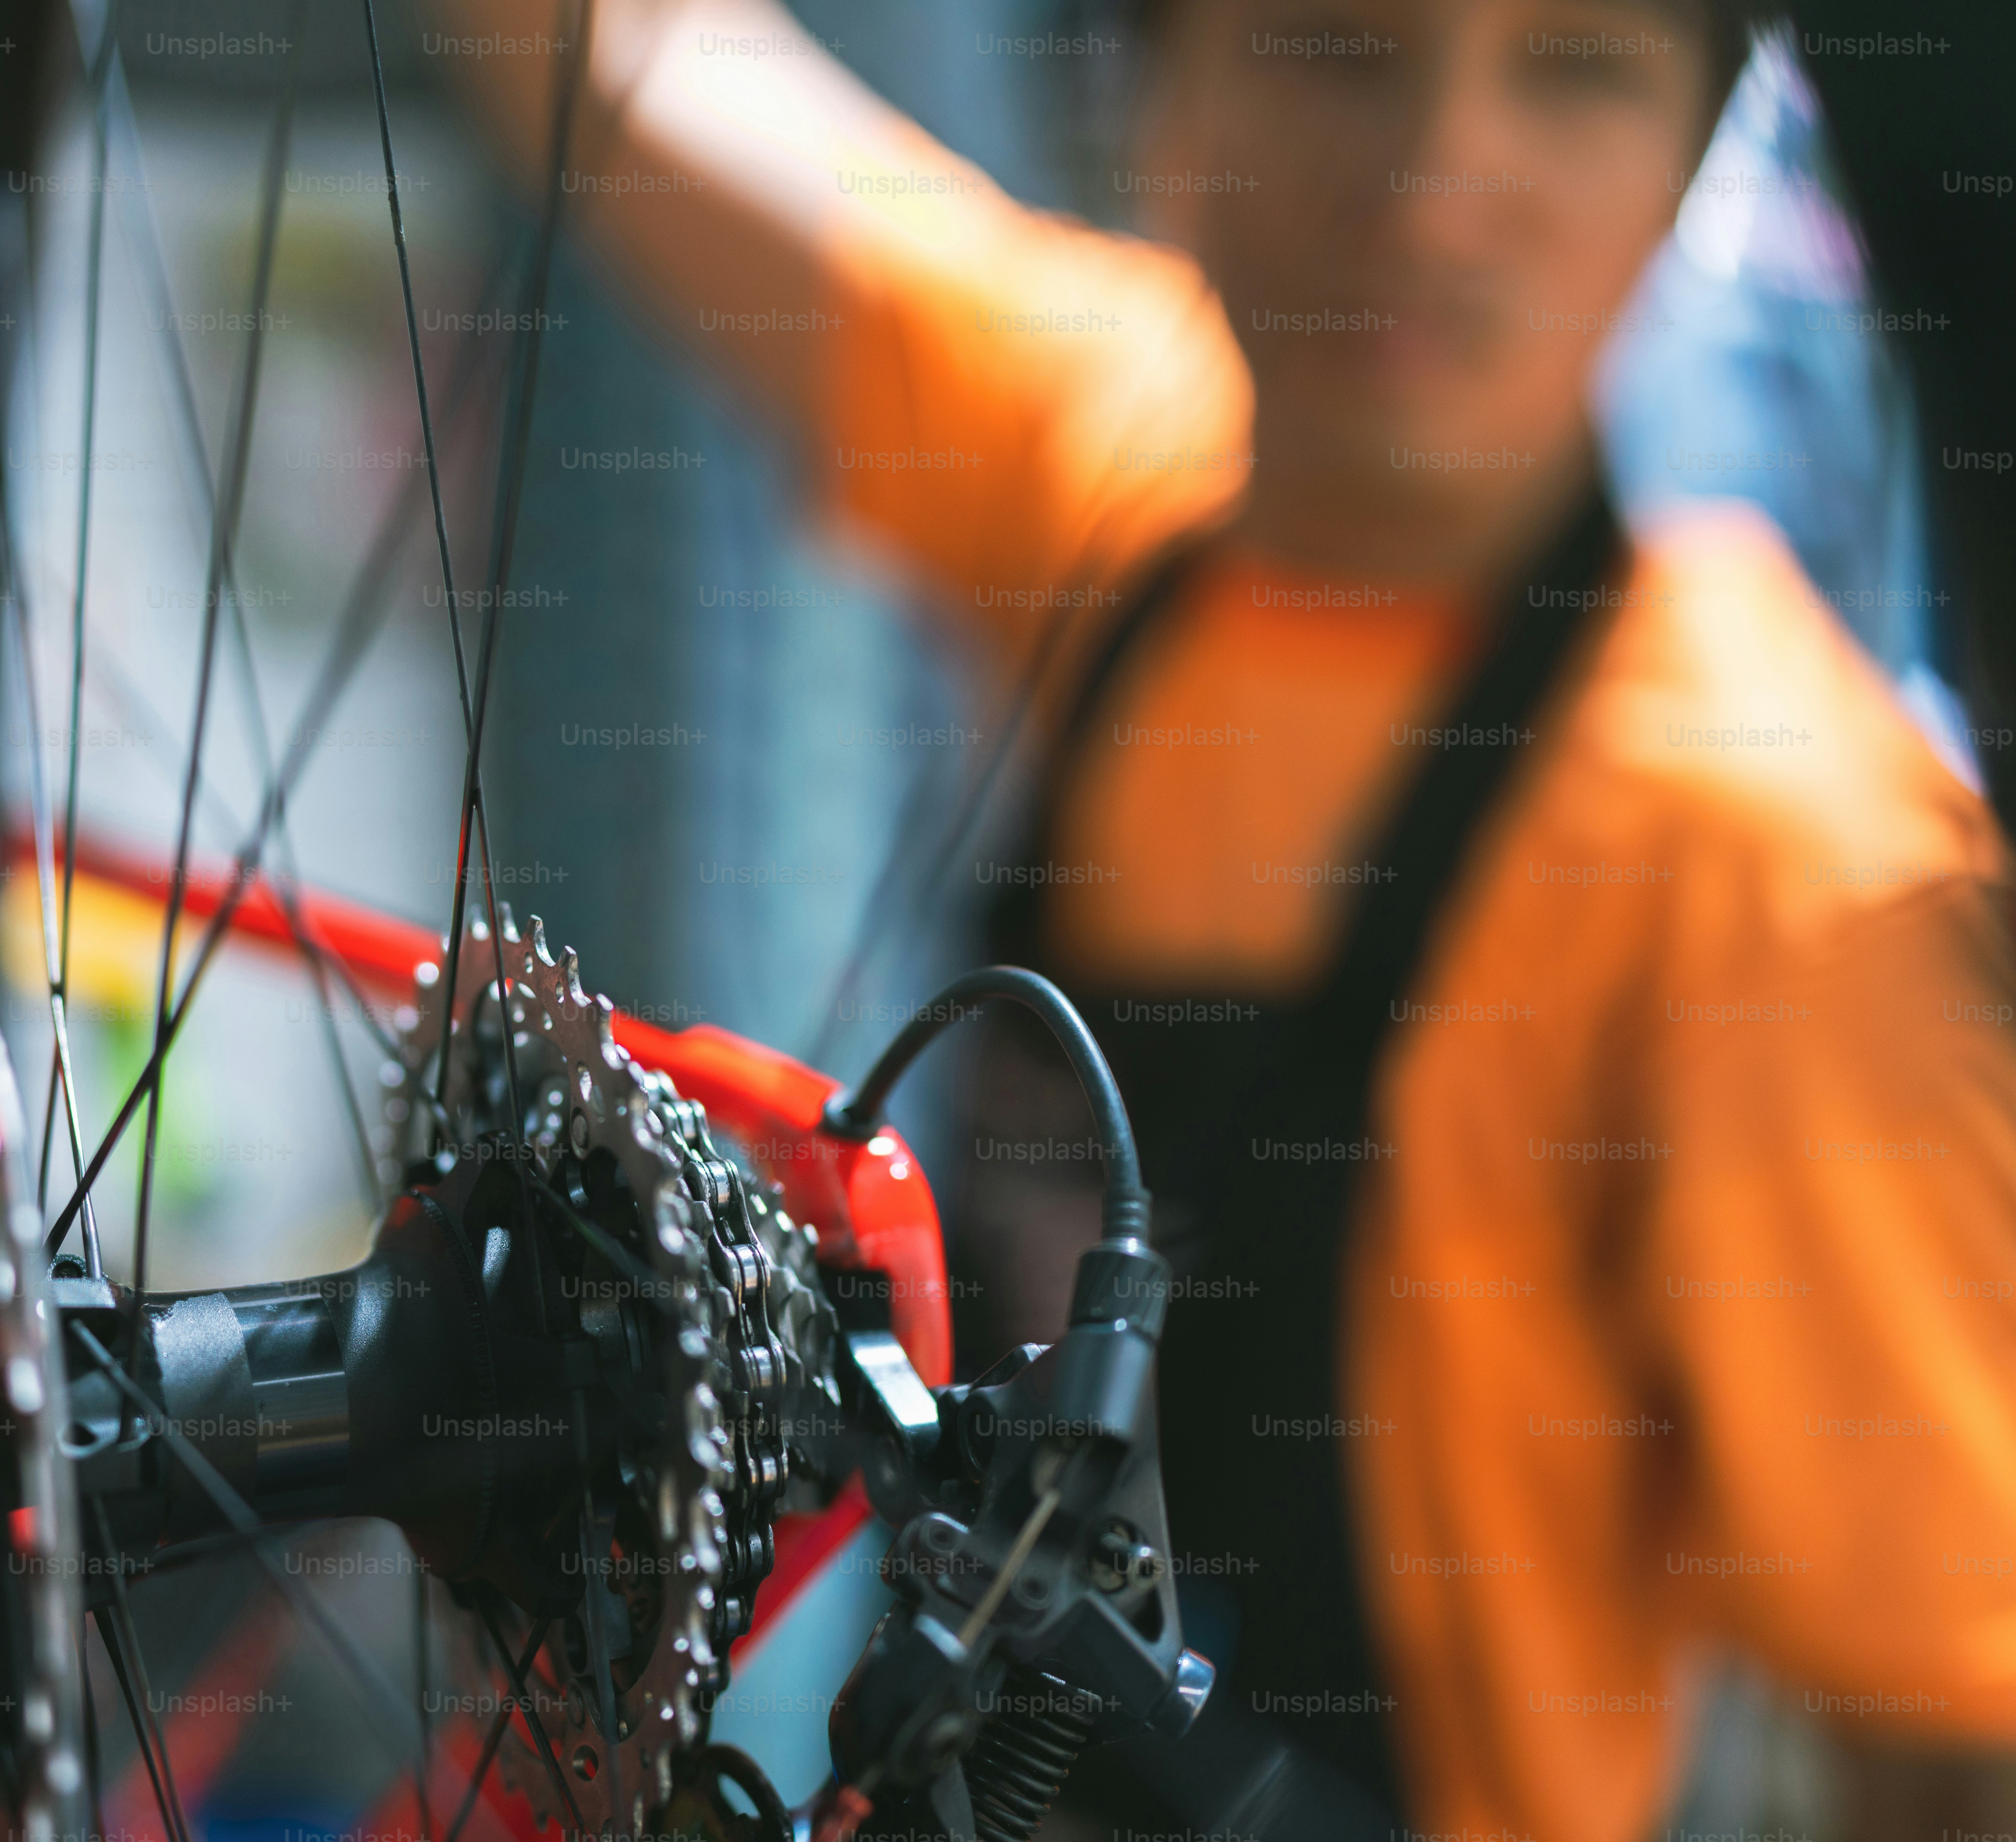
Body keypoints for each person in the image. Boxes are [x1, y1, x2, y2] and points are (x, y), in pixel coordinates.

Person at [423, 0, 2016, 1837]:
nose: (1432, 194)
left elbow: (1953, 1733)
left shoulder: (1781, 863)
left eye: (1575, 66)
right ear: (1150, 78)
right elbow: (617, 70)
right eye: (1338, 45)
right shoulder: (1116, 470)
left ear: (1696, 152)